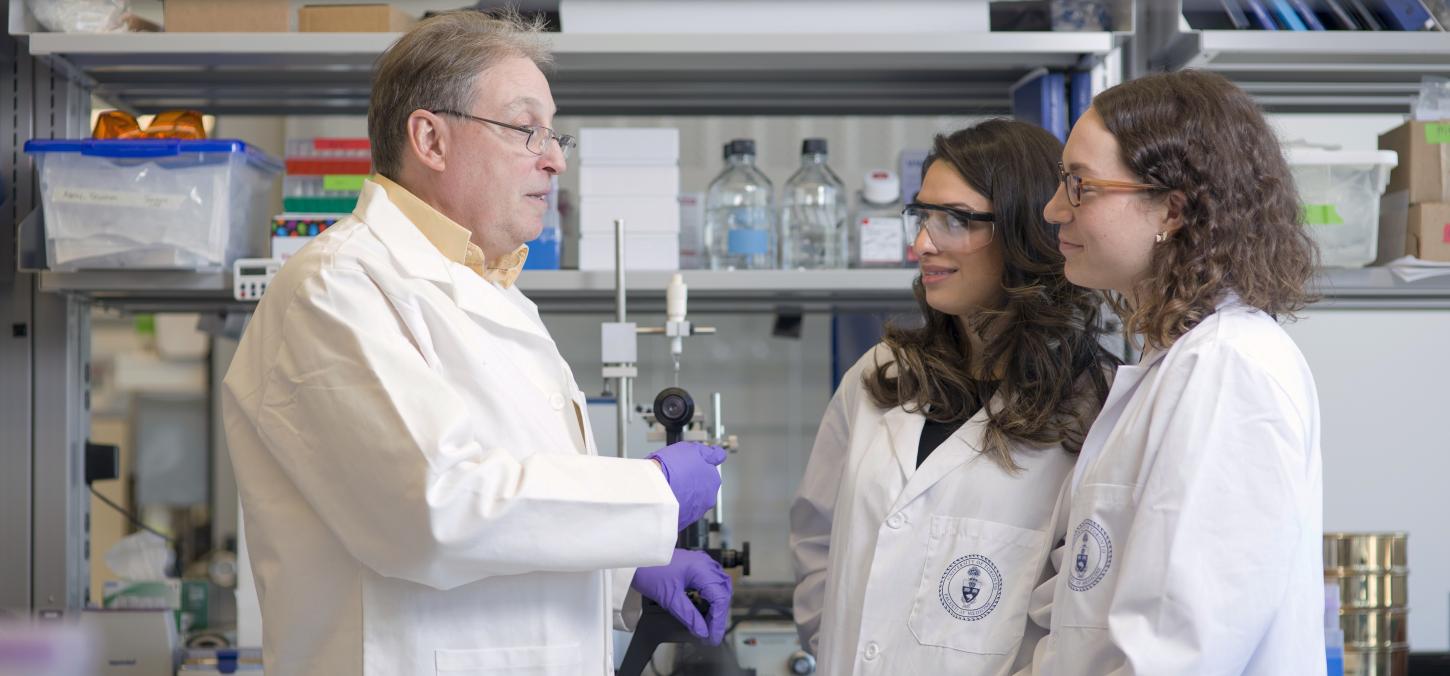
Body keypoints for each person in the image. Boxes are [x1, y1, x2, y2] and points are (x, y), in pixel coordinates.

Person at [222, 11, 730, 676]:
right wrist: (651, 491)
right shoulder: (336, 288)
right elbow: (430, 510)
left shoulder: (495, 291)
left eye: (554, 135)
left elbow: (512, 528)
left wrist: (625, 569)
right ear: (430, 139)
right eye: (526, 131)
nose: (554, 159)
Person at [790, 119, 1117, 675]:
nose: (922, 244)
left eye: (955, 220)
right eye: (921, 216)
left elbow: (1081, 616)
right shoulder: (879, 379)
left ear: (1024, 230)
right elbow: (816, 542)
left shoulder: (1092, 409)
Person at [1029, 70, 1324, 674]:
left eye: (1080, 185)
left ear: (1173, 207)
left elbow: (1177, 650)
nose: (1054, 208)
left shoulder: (1227, 370)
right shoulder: (1178, 364)